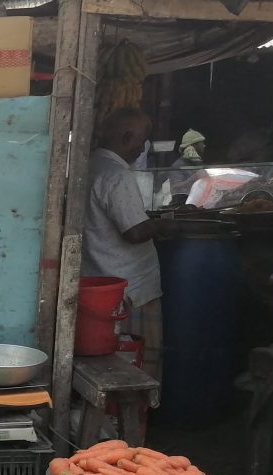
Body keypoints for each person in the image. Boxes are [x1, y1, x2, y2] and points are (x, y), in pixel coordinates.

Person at [83, 108, 184, 380]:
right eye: (142, 141)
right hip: (130, 289)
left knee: (106, 362)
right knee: (133, 364)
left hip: (98, 281)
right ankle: (135, 415)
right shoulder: (116, 175)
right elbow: (134, 232)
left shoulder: (90, 166)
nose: (142, 149)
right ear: (127, 137)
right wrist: (163, 225)